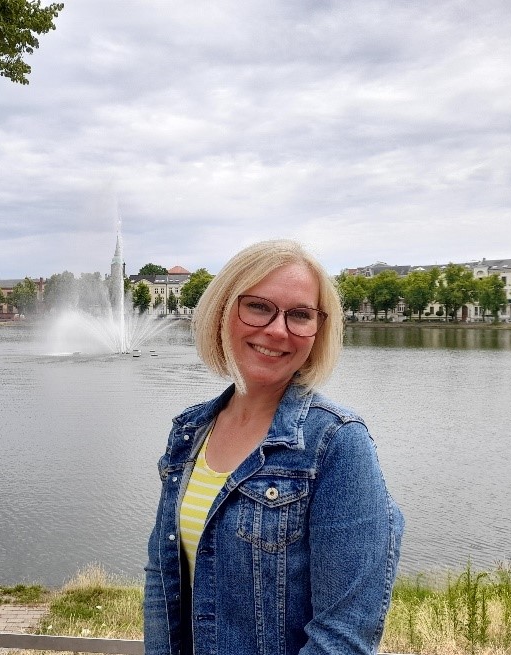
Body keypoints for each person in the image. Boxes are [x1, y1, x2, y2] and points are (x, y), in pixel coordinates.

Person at [144, 240, 404, 655]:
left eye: (300, 314)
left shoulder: (336, 443)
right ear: (224, 311)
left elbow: (344, 635)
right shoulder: (190, 430)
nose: (278, 330)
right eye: (259, 307)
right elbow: (162, 580)